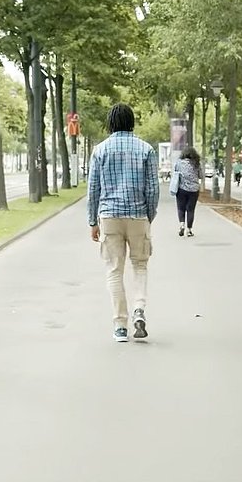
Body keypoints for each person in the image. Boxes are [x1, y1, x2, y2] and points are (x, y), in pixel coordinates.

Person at [87, 103, 160, 343]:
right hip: (138, 215)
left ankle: (120, 326)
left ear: (110, 124)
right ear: (132, 122)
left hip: (109, 216)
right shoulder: (146, 150)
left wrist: (92, 221)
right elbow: (153, 189)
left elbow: (93, 189)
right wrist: (149, 216)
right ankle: (140, 308)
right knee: (140, 265)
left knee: (114, 270)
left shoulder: (100, 150)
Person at [173, 147, 202, 237]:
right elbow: (201, 176)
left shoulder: (179, 163)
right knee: (191, 210)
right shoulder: (196, 164)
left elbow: (175, 173)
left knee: (181, 208)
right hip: (194, 190)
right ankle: (189, 230)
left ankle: (182, 225)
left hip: (181, 189)